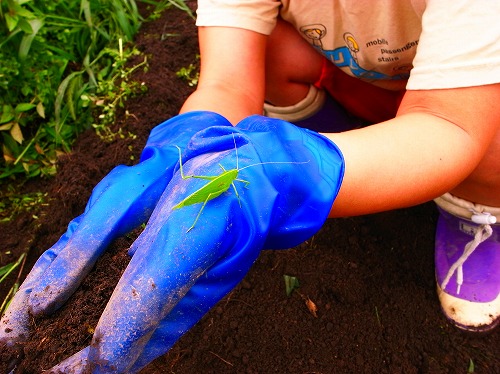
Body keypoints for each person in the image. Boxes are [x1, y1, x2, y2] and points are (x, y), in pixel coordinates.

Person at [1, 1, 499, 372]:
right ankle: (342, 150)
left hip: (466, 105)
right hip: (362, 81)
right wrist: (183, 146)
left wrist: (285, 172)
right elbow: (226, 82)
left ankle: (475, 214)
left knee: (490, 143)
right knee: (269, 50)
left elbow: (448, 121)